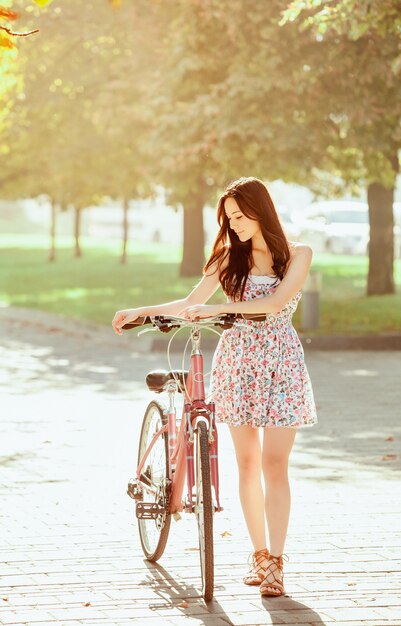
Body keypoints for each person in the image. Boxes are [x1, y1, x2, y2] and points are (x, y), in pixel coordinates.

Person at [112, 176, 318, 597]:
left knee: (275, 465)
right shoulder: (226, 258)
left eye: (240, 216)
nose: (235, 225)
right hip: (237, 363)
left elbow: (275, 304)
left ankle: (277, 562)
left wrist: (220, 308)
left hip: (281, 364)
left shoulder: (297, 254)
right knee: (246, 464)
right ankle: (260, 556)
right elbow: (189, 303)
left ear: (261, 210)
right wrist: (140, 311)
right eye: (229, 219)